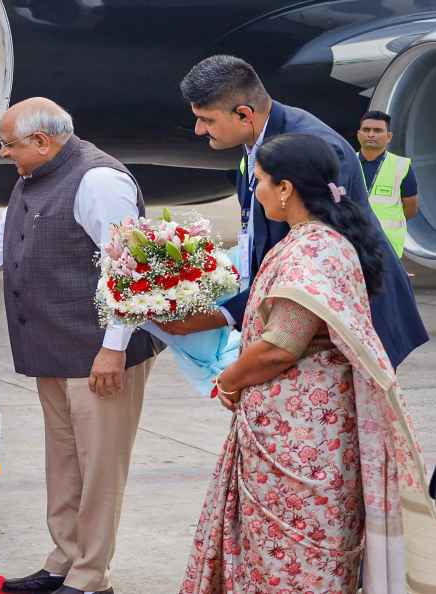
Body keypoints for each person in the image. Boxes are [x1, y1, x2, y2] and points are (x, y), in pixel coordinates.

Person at [181, 133, 435, 594]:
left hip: (300, 445)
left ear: (285, 188)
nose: (254, 192)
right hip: (306, 437)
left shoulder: (311, 251)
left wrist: (229, 380)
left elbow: (282, 344)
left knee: (292, 566)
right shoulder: (321, 240)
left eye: (259, 182)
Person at [0, 97, 160, 594]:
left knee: (99, 468)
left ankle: (91, 576)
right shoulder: (36, 175)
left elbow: (131, 270)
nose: (5, 155)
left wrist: (114, 347)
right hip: (55, 347)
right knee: (64, 461)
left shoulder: (99, 181)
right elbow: (2, 244)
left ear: (42, 140)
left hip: (99, 351)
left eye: (9, 145)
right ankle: (64, 559)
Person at [165, 55, 427, 369]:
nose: (197, 130)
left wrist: (225, 314)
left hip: (346, 326)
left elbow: (310, 267)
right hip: (297, 321)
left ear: (244, 114)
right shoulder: (259, 140)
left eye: (207, 119)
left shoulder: (312, 151)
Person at [357, 110, 419, 257]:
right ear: (359, 134)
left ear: (389, 137)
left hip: (386, 247)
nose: (371, 134)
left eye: (377, 130)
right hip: (353, 243)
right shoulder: (346, 164)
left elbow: (411, 207)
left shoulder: (401, 166)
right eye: (366, 130)